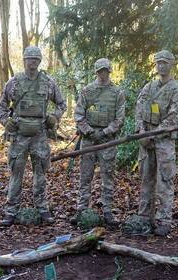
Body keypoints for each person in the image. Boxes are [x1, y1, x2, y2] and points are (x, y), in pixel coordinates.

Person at [0, 46, 66, 226]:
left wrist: (54, 117)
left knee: (40, 173)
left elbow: (61, 104)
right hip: (19, 136)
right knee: (16, 173)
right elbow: (0, 106)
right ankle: (11, 211)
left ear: (40, 61)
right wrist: (6, 122)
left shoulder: (48, 82)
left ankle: (42, 208)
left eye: (36, 59)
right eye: (29, 58)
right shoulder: (14, 83)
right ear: (24, 60)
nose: (33, 62)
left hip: (40, 135)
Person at [134, 50, 178, 236]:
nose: (161, 66)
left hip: (164, 142)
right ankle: (144, 216)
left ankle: (164, 220)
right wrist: (141, 132)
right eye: (159, 63)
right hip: (146, 140)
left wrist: (153, 134)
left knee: (164, 180)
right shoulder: (149, 87)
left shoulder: (176, 89)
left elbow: (173, 117)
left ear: (171, 64)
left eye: (165, 62)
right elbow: (139, 108)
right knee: (146, 178)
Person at [72, 58, 125, 227]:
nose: (103, 74)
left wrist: (104, 132)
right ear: (96, 72)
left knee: (107, 176)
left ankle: (108, 211)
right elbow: (79, 115)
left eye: (106, 71)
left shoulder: (117, 93)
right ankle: (81, 210)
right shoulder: (87, 91)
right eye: (100, 71)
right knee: (85, 175)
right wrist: (89, 131)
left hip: (107, 141)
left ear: (109, 71)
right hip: (88, 140)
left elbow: (119, 118)